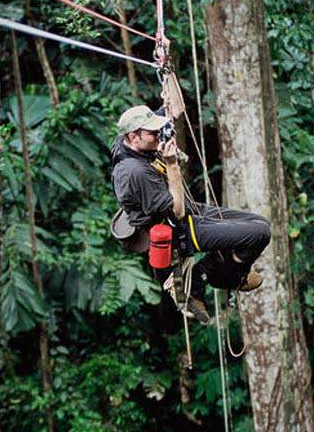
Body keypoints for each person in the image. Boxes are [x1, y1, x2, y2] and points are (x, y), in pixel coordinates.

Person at [111, 104, 271, 324]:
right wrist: (172, 164)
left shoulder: (128, 142)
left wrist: (166, 72)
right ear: (133, 136)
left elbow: (174, 105)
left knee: (260, 222)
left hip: (188, 211)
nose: (159, 135)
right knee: (259, 233)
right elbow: (176, 212)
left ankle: (215, 273)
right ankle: (208, 276)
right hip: (177, 229)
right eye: (152, 132)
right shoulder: (135, 172)